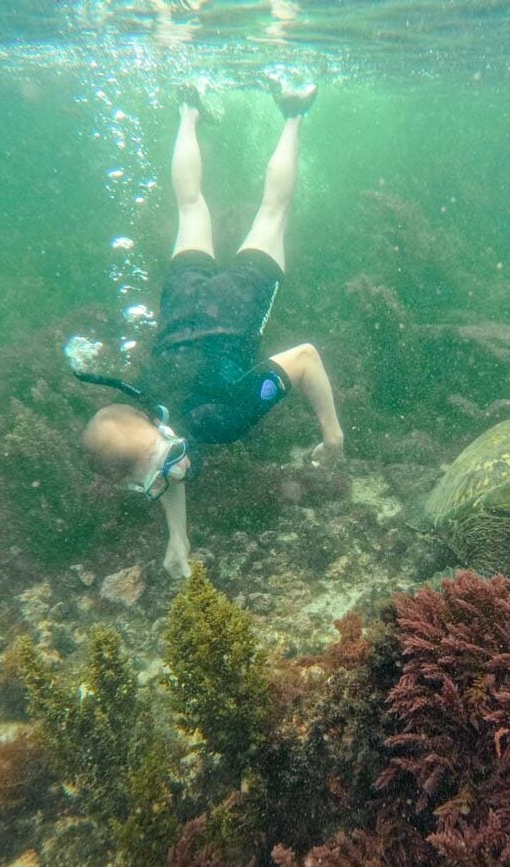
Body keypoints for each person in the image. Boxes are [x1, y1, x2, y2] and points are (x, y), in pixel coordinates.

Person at [81, 80, 344, 580]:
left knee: (273, 211)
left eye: (172, 461)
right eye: (164, 475)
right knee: (190, 206)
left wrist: (332, 438)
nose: (177, 470)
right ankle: (188, 108)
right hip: (184, 295)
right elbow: (164, 451)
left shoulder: (225, 420)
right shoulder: (148, 404)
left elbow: (307, 357)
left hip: (240, 301)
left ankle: (292, 112)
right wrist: (177, 536)